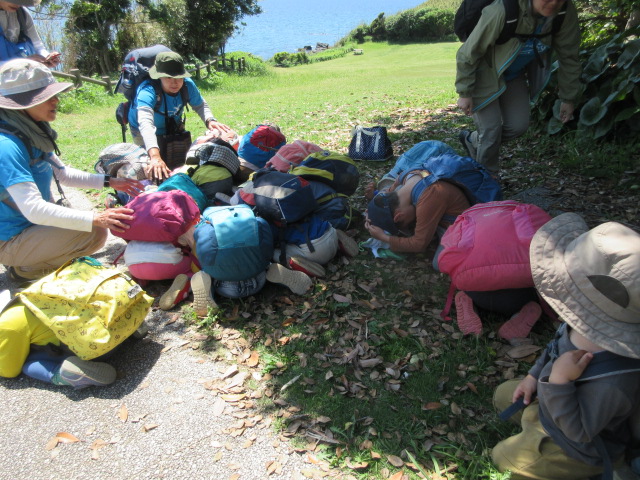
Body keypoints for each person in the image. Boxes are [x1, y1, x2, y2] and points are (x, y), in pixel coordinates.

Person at [491, 213, 640, 479]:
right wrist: (534, 376)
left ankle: (609, 469)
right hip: (554, 404)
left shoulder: (614, 383)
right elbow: (554, 349)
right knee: (504, 394)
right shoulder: (579, 325)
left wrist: (559, 382)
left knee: (504, 458)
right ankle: (535, 426)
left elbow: (579, 431)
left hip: (579, 446)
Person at [0, 59, 143, 283]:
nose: (56, 100)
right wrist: (96, 216)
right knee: (93, 232)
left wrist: (111, 182)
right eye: (46, 97)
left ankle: (36, 258)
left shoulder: (31, 131)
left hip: (32, 227)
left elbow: (63, 174)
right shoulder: (7, 146)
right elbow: (33, 209)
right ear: (21, 104)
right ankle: (24, 270)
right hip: (10, 238)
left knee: (92, 230)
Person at [455, 0, 581, 173]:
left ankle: (473, 140)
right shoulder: (501, 11)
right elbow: (468, 53)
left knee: (518, 127)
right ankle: (487, 179)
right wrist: (465, 91)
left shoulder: (563, 12)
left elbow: (569, 57)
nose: (554, 3)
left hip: (514, 75)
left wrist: (568, 98)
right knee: (491, 130)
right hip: (483, 73)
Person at [127, 50, 229, 181]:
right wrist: (154, 155)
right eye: (169, 78)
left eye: (178, 78)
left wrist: (210, 120)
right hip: (141, 130)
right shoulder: (147, 91)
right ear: (159, 77)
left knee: (179, 163)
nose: (174, 83)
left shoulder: (187, 85)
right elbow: (145, 124)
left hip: (171, 125)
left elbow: (200, 105)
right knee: (149, 167)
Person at [0, 0, 60, 68]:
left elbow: (37, 46)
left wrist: (47, 57)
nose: (18, 4)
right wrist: (24, 62)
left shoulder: (22, 14)